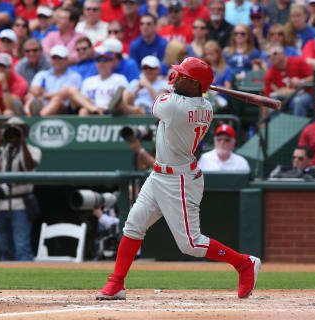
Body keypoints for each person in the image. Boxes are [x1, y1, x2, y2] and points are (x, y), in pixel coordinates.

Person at [95, 57, 260, 300]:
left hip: (179, 181)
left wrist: (172, 85)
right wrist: (180, 82)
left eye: (183, 76)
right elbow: (175, 91)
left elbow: (157, 102)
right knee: (133, 225)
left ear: (195, 86)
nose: (177, 77)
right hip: (159, 173)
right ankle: (116, 283)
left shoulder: (176, 107)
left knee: (191, 244)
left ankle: (244, 263)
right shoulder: (206, 106)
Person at [0, 117, 42, 261]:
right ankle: (7, 283)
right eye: (10, 129)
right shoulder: (2, 150)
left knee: (22, 247)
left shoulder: (33, 150)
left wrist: (22, 141)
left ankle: (26, 282)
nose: (13, 132)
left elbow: (30, 166)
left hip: (21, 203)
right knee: (5, 248)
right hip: (2, 204)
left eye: (17, 129)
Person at [16, 45, 82, 116]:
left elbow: (63, 94)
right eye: (54, 58)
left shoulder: (74, 76)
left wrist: (42, 95)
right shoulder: (42, 74)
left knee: (57, 99)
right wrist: (37, 92)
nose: (57, 61)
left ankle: (38, 118)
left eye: (60, 58)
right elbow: (34, 90)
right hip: (43, 104)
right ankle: (26, 115)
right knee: (31, 96)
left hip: (65, 108)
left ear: (66, 60)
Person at [263, 42, 314, 117]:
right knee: (272, 104)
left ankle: (299, 128)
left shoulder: (297, 61)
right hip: (284, 100)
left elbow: (314, 77)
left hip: (305, 94)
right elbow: (266, 99)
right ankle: (275, 128)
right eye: (268, 56)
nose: (271, 57)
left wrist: (301, 81)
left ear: (283, 53)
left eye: (274, 53)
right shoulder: (269, 74)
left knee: (297, 101)